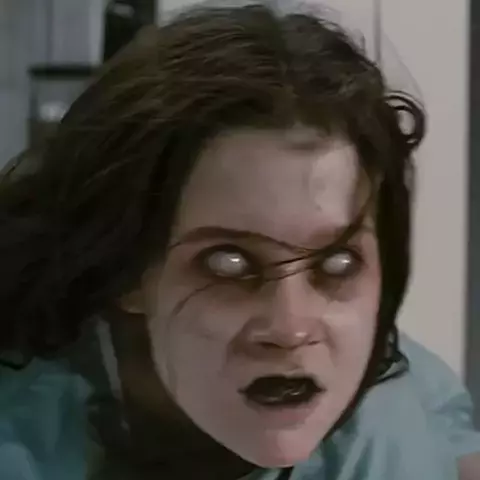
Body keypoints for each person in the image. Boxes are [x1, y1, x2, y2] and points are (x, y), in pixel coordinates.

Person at [0, 3, 479, 479]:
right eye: (228, 264)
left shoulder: (401, 427)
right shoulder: (26, 423)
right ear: (127, 270)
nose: (290, 329)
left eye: (337, 263)